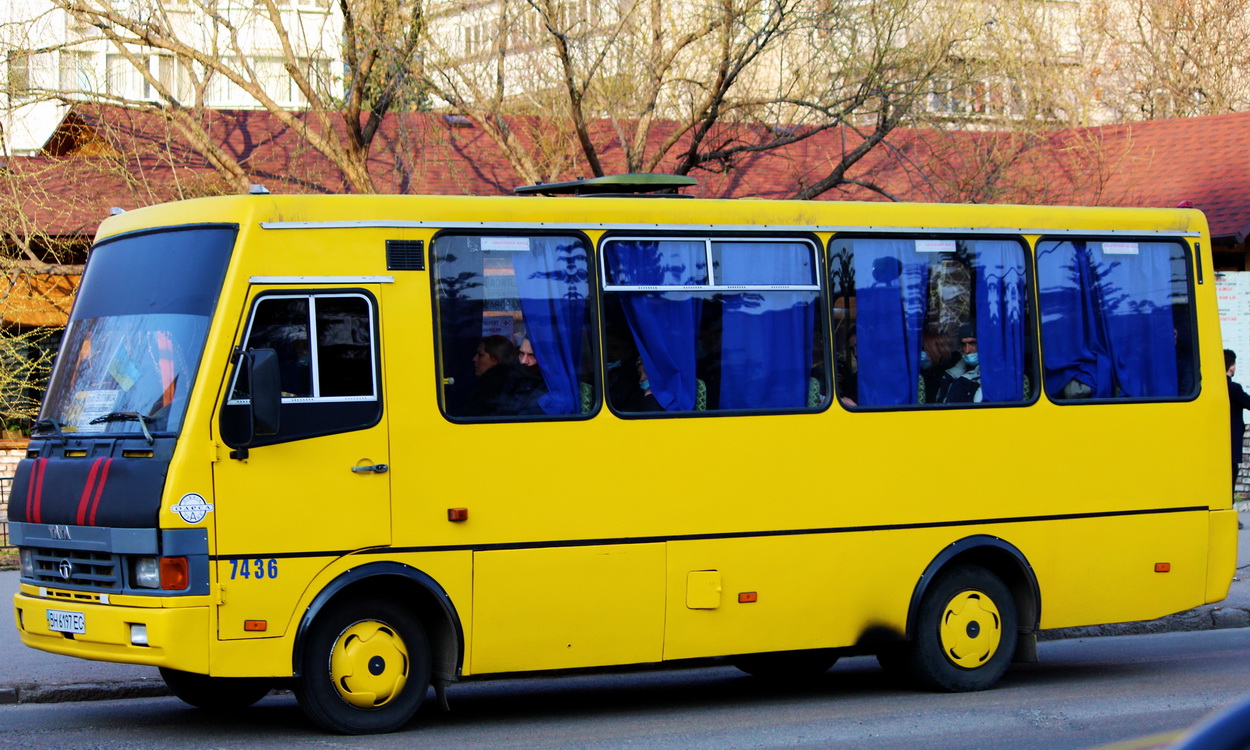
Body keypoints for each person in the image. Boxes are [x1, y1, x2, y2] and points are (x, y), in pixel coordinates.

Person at [1226, 350, 1250, 528]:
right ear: (1232, 367)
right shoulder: (1234, 389)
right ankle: (1228, 517)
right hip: (1231, 445)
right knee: (1229, 481)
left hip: (1213, 445)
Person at [465, 335, 516, 416]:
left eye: (480, 355)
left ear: (494, 360)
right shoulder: (515, 382)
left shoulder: (491, 389)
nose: (474, 359)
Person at [934, 323, 982, 404]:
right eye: (963, 344)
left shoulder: (989, 376)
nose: (967, 350)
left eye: (972, 343)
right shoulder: (950, 375)